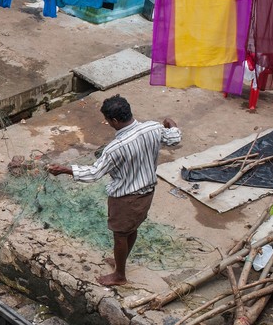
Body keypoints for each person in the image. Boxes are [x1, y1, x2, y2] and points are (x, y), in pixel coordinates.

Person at [48, 95, 180, 286]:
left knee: (119, 235)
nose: (108, 124)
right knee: (131, 229)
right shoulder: (153, 128)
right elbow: (175, 137)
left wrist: (64, 170)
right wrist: (170, 123)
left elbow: (94, 173)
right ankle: (121, 260)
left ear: (115, 120)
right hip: (147, 193)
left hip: (126, 197)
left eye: (108, 121)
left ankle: (120, 276)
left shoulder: (115, 148)